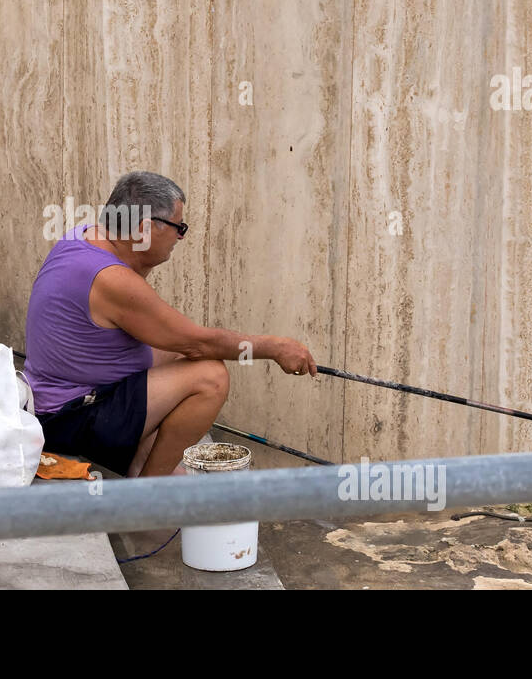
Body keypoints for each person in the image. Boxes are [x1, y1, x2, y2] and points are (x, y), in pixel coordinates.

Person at [23, 171, 318, 478]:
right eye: (179, 228)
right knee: (210, 375)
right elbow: (198, 342)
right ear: (145, 230)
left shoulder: (84, 236)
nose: (180, 238)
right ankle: (152, 491)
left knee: (183, 356)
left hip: (58, 398)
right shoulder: (111, 279)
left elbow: (175, 340)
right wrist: (275, 348)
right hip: (68, 419)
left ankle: (142, 462)